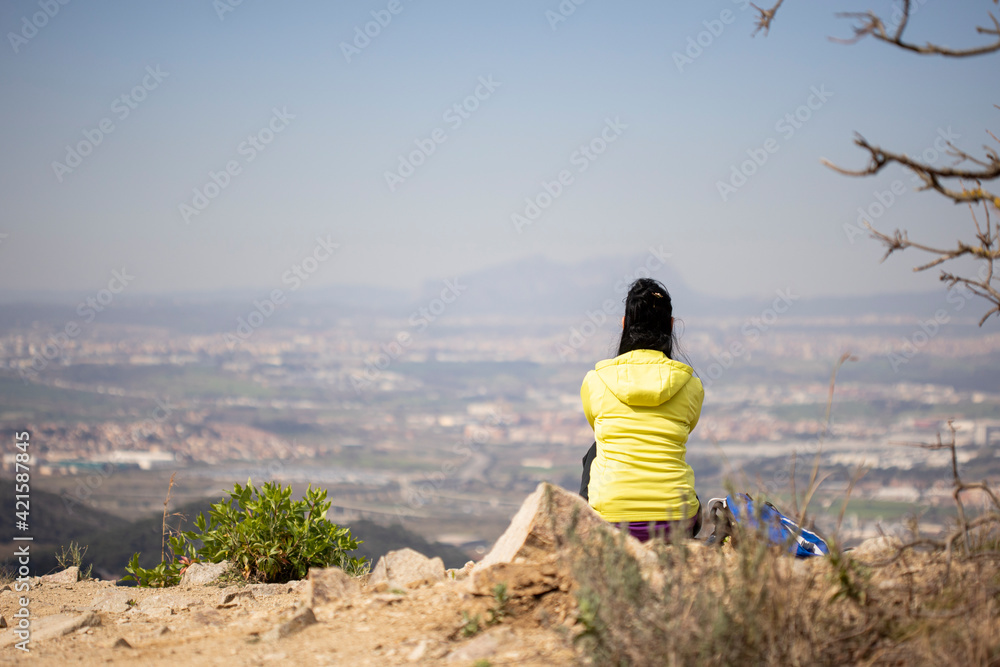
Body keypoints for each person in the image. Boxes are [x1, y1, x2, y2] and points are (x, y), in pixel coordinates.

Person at [580, 278, 704, 542]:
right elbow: (686, 427)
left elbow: (598, 427)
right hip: (676, 523)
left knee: (596, 451)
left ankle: (585, 537)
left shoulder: (596, 381)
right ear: (671, 327)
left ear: (624, 325)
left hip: (611, 522)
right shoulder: (691, 386)